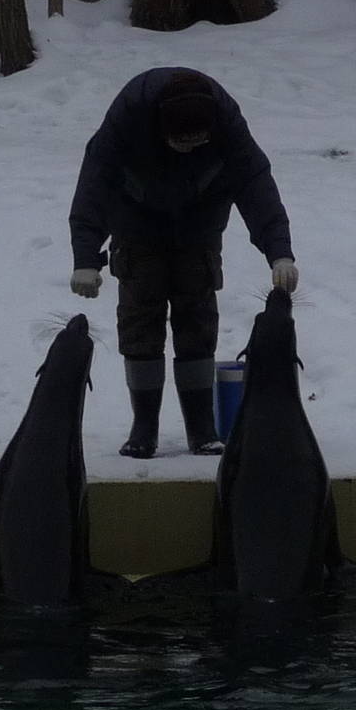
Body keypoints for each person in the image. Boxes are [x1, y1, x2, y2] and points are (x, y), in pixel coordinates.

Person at [68, 66, 298, 458]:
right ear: (160, 128)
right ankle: (144, 427)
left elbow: (255, 182)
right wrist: (86, 257)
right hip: (136, 224)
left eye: (198, 142)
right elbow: (95, 181)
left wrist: (280, 251)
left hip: (200, 225)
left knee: (197, 319)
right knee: (140, 319)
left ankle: (201, 427)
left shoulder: (226, 121)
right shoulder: (129, 115)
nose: (190, 148)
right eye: (181, 141)